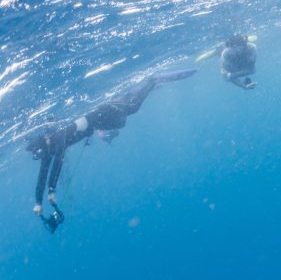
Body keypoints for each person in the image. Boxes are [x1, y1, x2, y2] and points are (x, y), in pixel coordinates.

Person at [26, 68, 196, 232]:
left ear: (43, 142)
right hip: (98, 121)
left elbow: (59, 160)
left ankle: (153, 80)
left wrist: (51, 190)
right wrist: (38, 202)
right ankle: (139, 89)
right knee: (125, 111)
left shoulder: (57, 138)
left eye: (39, 152)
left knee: (131, 108)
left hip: (99, 115)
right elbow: (43, 174)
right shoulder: (49, 149)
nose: (41, 156)